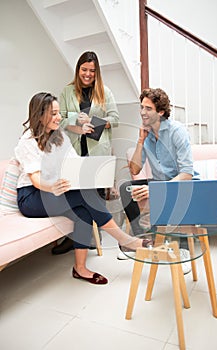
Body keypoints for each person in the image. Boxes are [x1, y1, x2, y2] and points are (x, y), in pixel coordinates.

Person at [15, 92, 151, 285]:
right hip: (31, 196)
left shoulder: (59, 136)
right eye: (53, 114)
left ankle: (80, 268)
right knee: (84, 196)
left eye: (58, 113)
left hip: (55, 190)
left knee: (83, 208)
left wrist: (96, 175)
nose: (59, 117)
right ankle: (127, 241)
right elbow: (36, 179)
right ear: (39, 115)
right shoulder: (27, 141)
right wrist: (52, 186)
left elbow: (75, 163)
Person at [119, 88, 195, 274]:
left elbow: (187, 173)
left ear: (160, 112)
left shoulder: (177, 131)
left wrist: (156, 190)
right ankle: (142, 242)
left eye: (148, 108)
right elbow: (135, 169)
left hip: (180, 183)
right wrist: (139, 141)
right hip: (160, 182)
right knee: (125, 188)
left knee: (178, 193)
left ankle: (182, 251)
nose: (143, 112)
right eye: (141, 107)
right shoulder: (147, 135)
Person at [52, 51, 119, 254]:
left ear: (96, 72)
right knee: (74, 194)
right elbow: (60, 121)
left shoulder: (105, 92)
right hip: (73, 150)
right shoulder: (67, 92)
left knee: (95, 195)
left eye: (92, 70)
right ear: (78, 69)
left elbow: (115, 119)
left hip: (97, 150)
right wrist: (76, 121)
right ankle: (77, 237)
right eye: (84, 69)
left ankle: (91, 237)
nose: (88, 74)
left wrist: (94, 123)